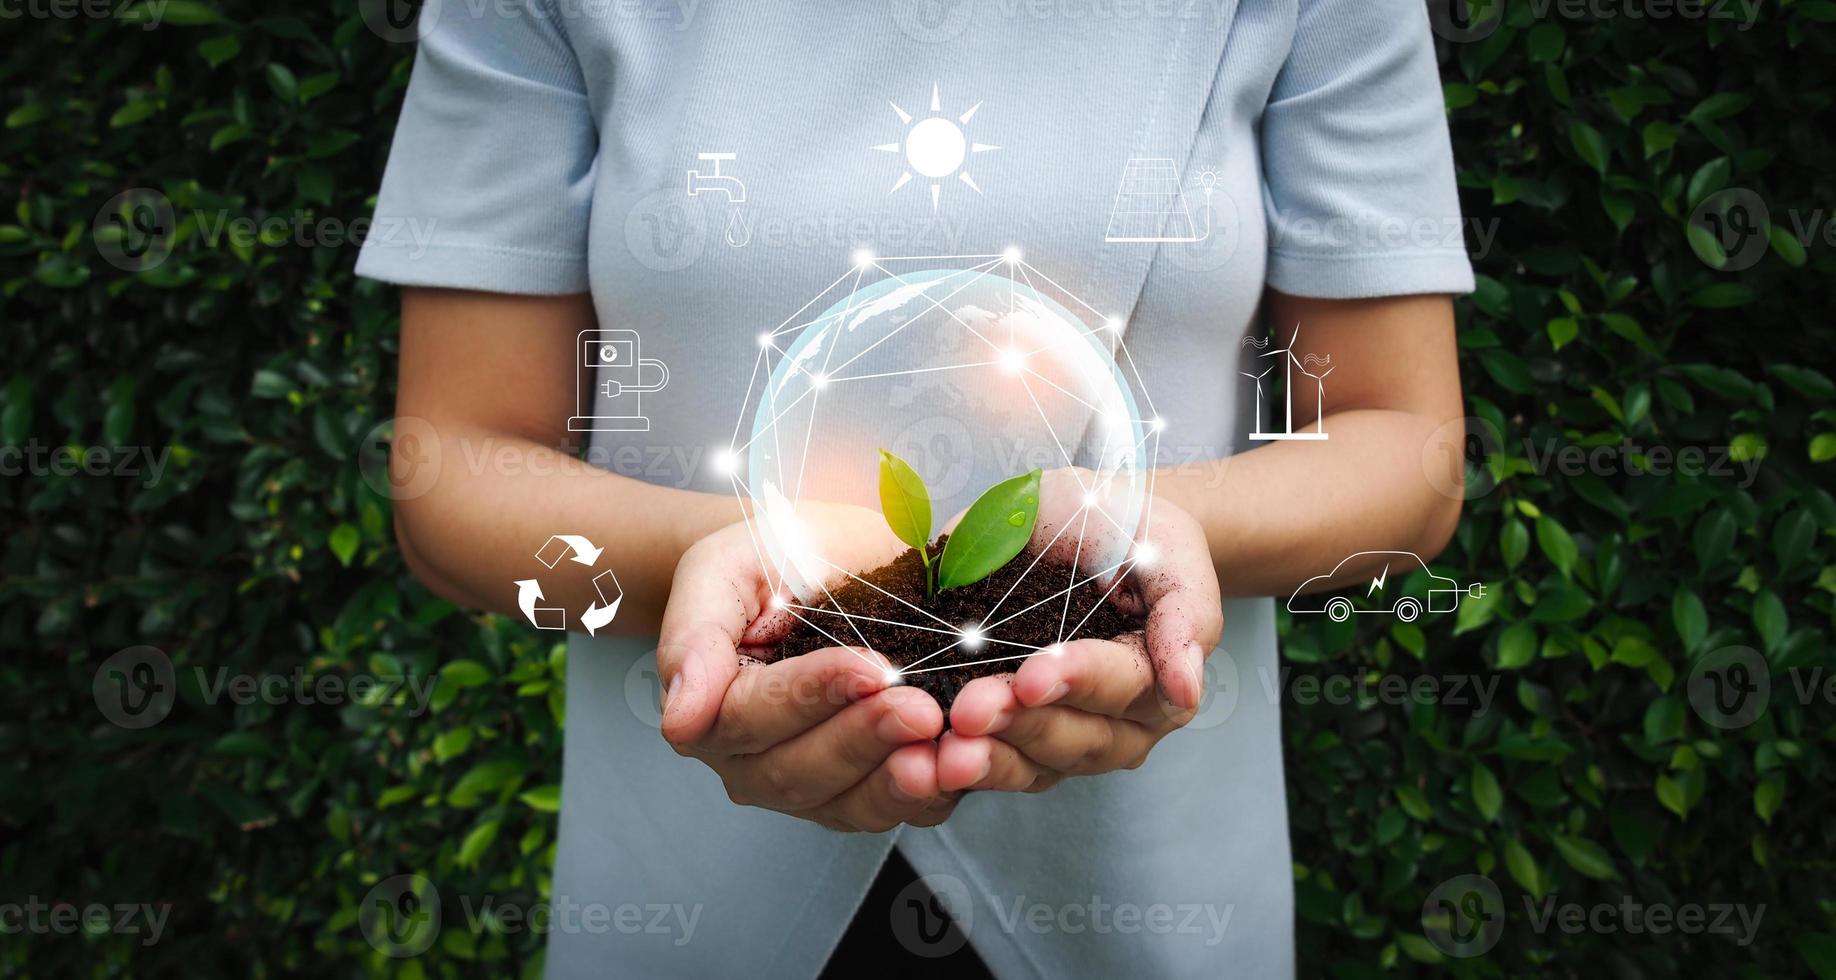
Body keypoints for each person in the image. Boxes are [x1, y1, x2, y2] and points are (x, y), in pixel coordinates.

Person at [358, 0, 1473, 975]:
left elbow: (1405, 444)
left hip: (1146, 892)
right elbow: (454, 466)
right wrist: (727, 562)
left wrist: (1151, 530)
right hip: (696, 884)